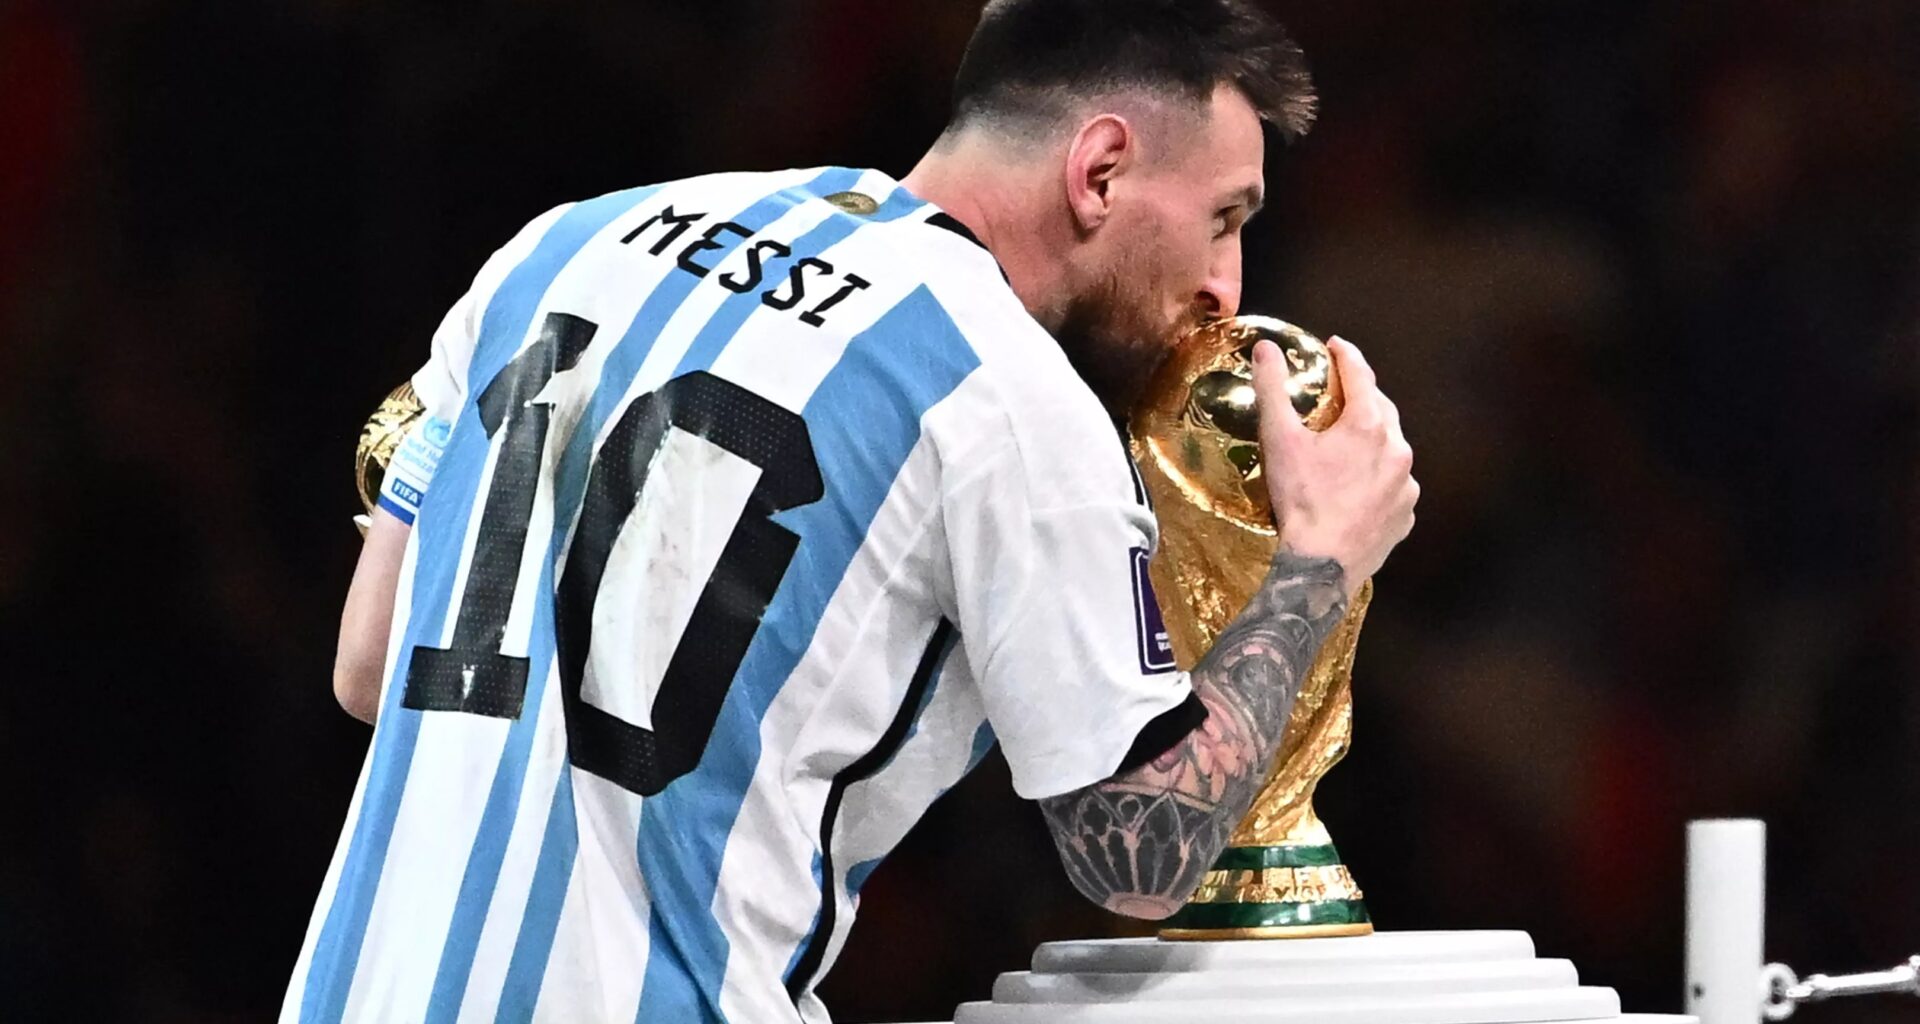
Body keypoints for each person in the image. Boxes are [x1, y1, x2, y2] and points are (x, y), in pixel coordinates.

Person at [287, 0, 1418, 1021]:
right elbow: (1139, 850)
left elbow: (368, 659)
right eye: (1224, 216)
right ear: (1102, 170)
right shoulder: (1004, 390)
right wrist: (1319, 558)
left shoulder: (565, 241)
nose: (1227, 283)